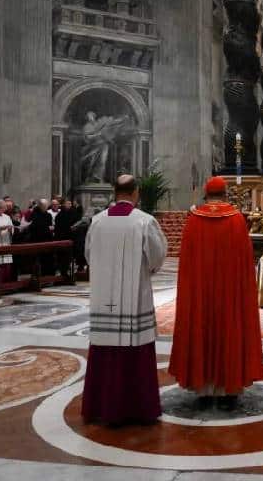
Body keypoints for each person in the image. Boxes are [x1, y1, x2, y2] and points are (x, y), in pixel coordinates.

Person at [169, 176, 263, 409]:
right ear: (225, 193)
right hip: (230, 292)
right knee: (229, 329)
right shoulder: (236, 220)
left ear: (206, 193)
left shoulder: (194, 220)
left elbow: (187, 265)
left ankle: (204, 389)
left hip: (200, 293)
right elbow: (245, 264)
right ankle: (229, 388)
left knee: (203, 328)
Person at [82, 174, 167, 426]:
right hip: (135, 298)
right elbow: (157, 257)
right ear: (135, 192)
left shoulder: (96, 222)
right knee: (135, 351)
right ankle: (138, 408)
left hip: (102, 297)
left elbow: (88, 255)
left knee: (104, 350)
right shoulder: (144, 222)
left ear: (114, 192)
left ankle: (101, 407)